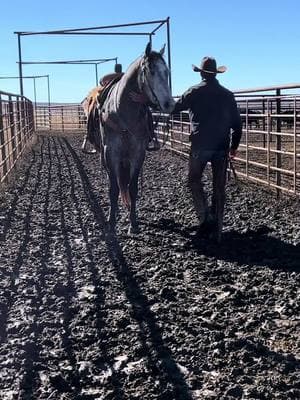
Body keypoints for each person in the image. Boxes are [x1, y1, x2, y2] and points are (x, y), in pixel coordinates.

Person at [173, 56, 242, 242]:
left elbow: (173, 109)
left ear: (201, 73)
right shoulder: (227, 95)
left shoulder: (193, 92)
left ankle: (205, 218)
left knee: (194, 180)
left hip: (200, 145)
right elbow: (237, 124)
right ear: (216, 74)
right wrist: (234, 147)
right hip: (221, 146)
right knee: (219, 186)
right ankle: (217, 229)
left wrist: (147, 101)